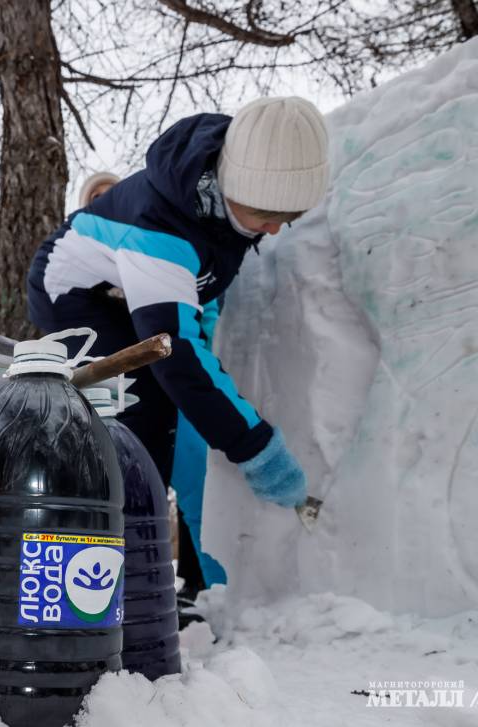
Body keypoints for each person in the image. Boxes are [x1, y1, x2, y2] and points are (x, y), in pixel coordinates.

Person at [28, 97, 329, 610]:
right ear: (233, 188)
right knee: (138, 418)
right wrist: (259, 451)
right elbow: (176, 355)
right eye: (266, 216)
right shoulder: (162, 231)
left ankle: (138, 579)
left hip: (133, 295)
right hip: (76, 295)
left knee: (161, 423)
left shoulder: (234, 196)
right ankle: (98, 586)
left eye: (290, 218)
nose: (276, 229)